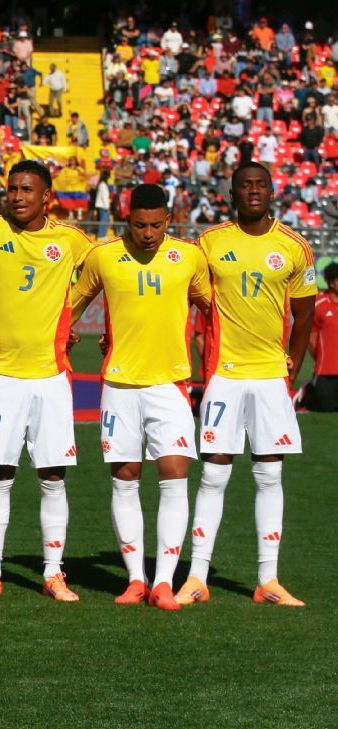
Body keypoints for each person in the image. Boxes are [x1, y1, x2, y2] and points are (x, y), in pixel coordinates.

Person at [0, 160, 93, 600]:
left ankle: (53, 573)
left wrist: (70, 314)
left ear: (47, 196)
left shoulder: (70, 239)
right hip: (3, 375)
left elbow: (106, 271)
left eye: (27, 190)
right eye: (13, 189)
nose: (18, 196)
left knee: (53, 477)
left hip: (51, 376)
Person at [178, 162, 317, 607]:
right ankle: (197, 577)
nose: (253, 191)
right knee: (214, 473)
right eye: (245, 185)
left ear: (272, 192)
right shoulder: (209, 242)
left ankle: (267, 580)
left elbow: (305, 312)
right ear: (232, 194)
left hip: (271, 376)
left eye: (260, 185)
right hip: (224, 374)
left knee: (270, 473)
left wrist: (293, 363)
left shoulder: (295, 246)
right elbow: (183, 296)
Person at [69, 184, 213, 610]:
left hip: (171, 384)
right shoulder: (103, 256)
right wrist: (64, 336)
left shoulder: (189, 257)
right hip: (119, 385)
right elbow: (69, 307)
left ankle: (164, 582)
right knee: (125, 477)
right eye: (139, 225)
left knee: (174, 475)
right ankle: (136, 579)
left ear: (168, 220)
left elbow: (215, 310)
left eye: (155, 225)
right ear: (125, 220)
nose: (148, 234)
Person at [306, 263, 338, 411]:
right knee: (325, 408)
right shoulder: (319, 304)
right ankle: (307, 391)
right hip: (326, 373)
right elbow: (311, 341)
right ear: (331, 282)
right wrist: (323, 359)